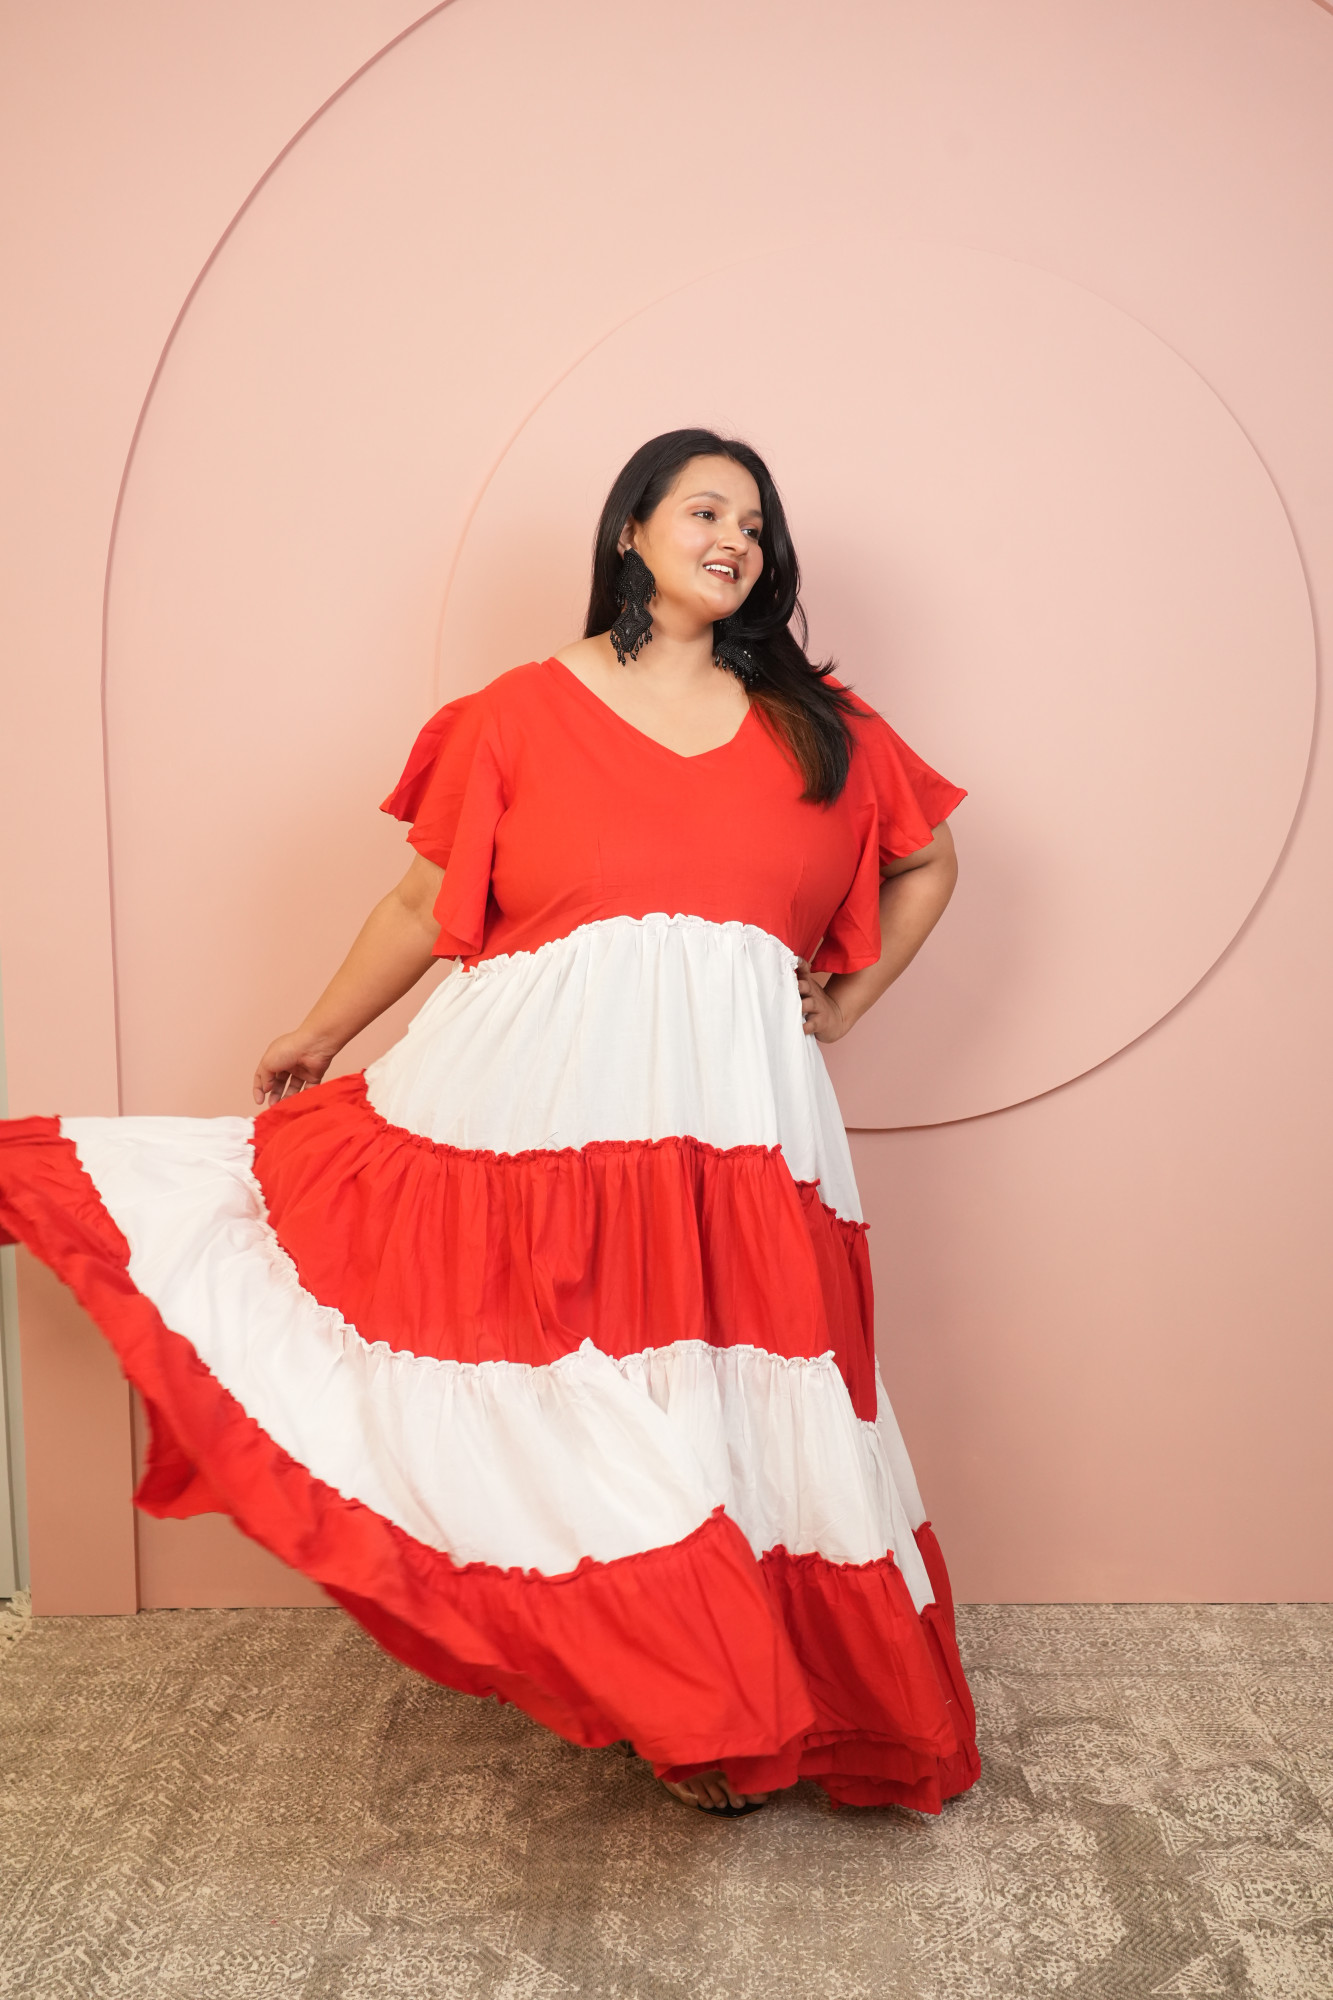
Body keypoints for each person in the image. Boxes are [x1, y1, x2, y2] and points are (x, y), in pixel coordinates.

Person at [0, 428, 978, 1817]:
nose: (737, 541)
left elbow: (929, 858)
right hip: (533, 1105)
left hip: (737, 1122)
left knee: (727, 1386)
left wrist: (852, 1001)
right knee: (571, 1389)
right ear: (630, 532)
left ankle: (733, 1698)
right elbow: (420, 904)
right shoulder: (517, 713)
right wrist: (324, 1030)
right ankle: (685, 1702)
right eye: (706, 510)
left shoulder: (821, 724)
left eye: (756, 526)